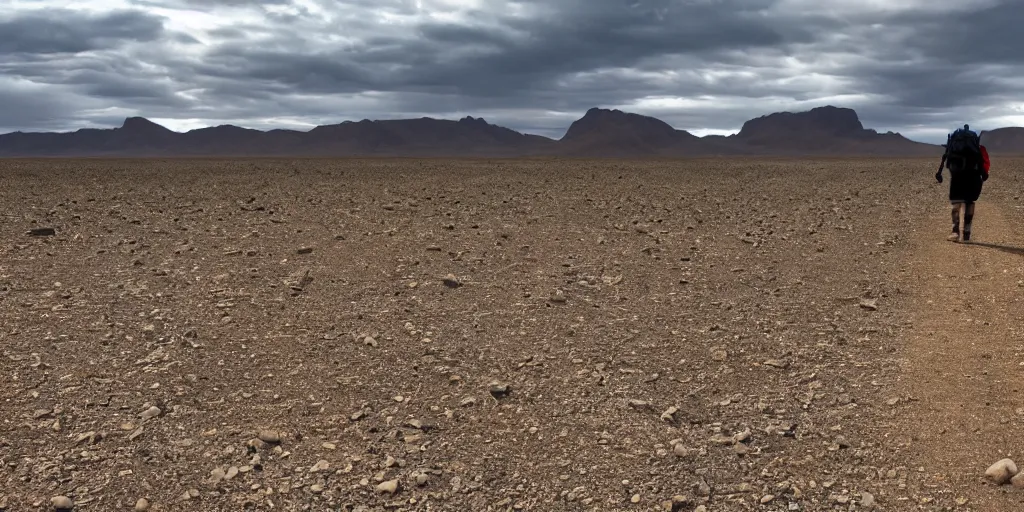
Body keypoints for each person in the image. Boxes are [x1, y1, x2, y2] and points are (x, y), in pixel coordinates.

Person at [935, 124, 989, 243]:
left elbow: (946, 158)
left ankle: (955, 231)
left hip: (957, 174)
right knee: (969, 201)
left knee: (956, 202)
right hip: (973, 175)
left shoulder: (954, 145)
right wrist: (983, 173)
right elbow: (983, 160)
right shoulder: (977, 147)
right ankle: (967, 233)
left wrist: (940, 173)